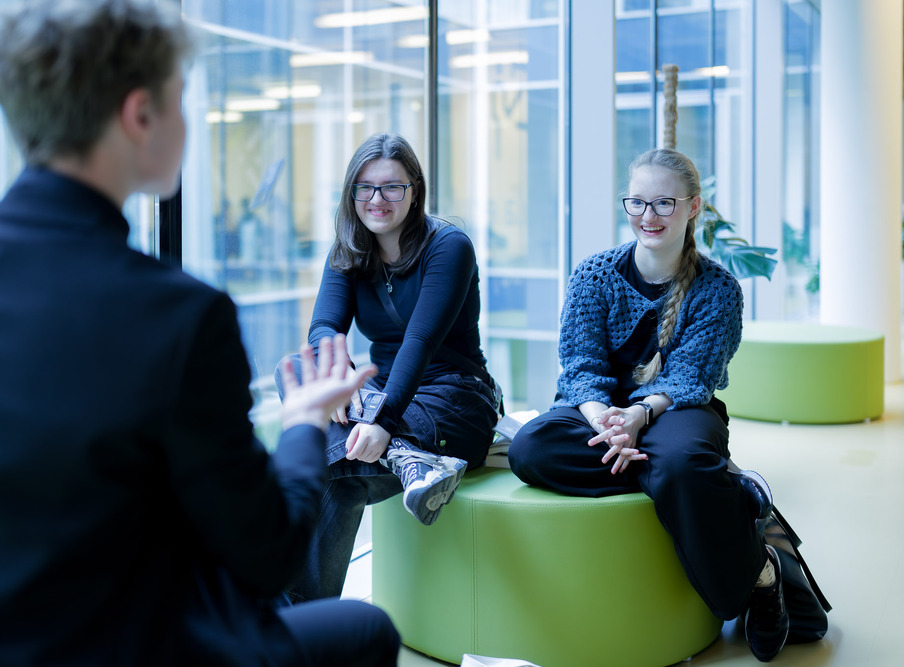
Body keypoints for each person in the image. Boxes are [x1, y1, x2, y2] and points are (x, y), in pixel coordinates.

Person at [0, 2, 400, 665]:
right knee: (366, 631)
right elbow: (266, 555)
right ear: (140, 116)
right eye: (179, 100)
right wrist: (304, 421)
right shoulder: (179, 317)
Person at [507, 148, 791, 662]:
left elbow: (691, 376)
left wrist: (638, 416)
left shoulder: (719, 290)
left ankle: (760, 573)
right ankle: (712, 488)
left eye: (663, 203)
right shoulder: (593, 275)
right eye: (637, 202)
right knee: (531, 449)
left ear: (693, 207)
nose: (648, 216)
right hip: (597, 411)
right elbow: (580, 366)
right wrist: (608, 421)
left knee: (681, 459)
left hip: (676, 409)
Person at [276, 132, 500, 602]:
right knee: (295, 368)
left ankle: (295, 621)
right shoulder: (349, 248)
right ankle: (406, 459)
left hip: (453, 399)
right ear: (351, 193)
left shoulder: (448, 246)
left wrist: (381, 420)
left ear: (415, 190)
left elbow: (420, 341)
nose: (377, 199)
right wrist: (340, 383)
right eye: (365, 187)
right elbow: (323, 328)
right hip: (383, 399)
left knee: (334, 474)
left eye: (392, 187)